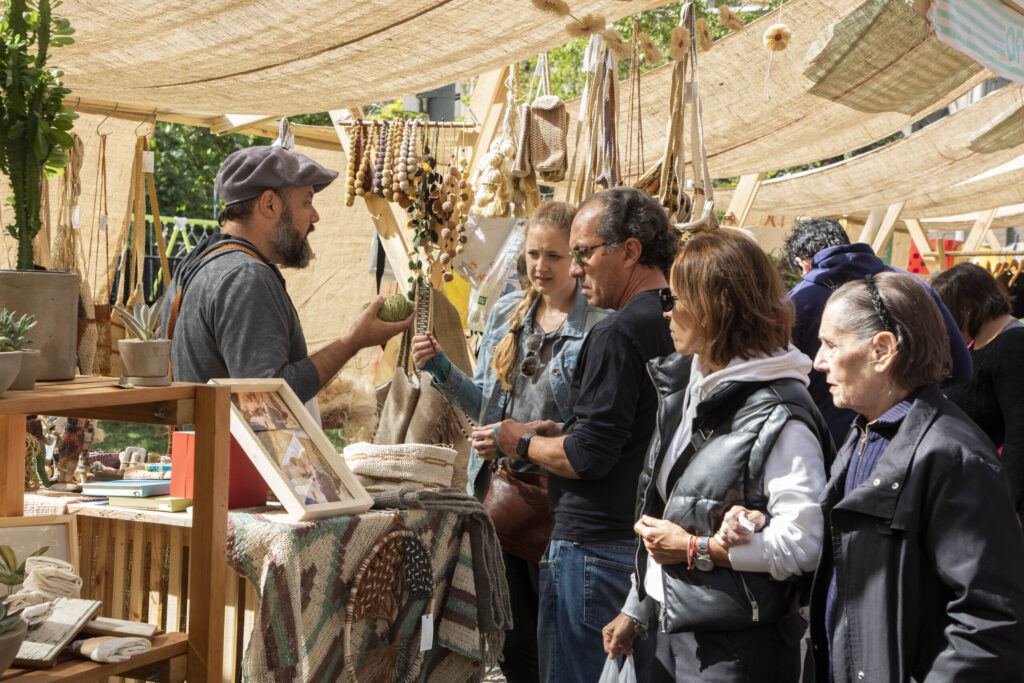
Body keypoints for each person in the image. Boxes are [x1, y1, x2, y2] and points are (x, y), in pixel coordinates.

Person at [602, 229, 831, 682]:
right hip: (678, 632)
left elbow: (805, 545)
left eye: (673, 298)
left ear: (712, 309)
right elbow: (669, 509)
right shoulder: (692, 385)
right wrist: (638, 605)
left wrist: (694, 549)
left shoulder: (780, 413)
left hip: (738, 650)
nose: (665, 310)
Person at [410, 201, 608, 683]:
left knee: (555, 646)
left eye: (554, 256)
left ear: (576, 259)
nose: (541, 267)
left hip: (561, 508)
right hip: (501, 499)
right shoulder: (506, 313)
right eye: (533, 254)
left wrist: (519, 440)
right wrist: (440, 366)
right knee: (510, 644)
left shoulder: (600, 327)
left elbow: (595, 434)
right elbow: (485, 405)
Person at [489, 187, 678, 683]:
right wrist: (566, 431)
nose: (575, 269)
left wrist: (520, 442)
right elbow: (629, 429)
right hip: (640, 545)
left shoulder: (616, 333)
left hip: (596, 551)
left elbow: (588, 456)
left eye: (583, 253)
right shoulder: (679, 318)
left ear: (630, 251)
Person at [807, 271, 1024, 682]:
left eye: (830, 344)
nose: (818, 361)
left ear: (882, 350)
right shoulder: (865, 433)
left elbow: (990, 623)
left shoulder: (952, 457)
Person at [161, 145, 410, 415]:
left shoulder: (196, 263)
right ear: (270, 204)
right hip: (228, 444)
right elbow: (269, 399)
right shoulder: (246, 276)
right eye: (306, 202)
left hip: (202, 440)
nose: (315, 216)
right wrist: (353, 341)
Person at [782, 217, 971, 443]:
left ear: (803, 263)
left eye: (830, 344)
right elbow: (959, 368)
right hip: (911, 430)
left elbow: (780, 385)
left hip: (824, 438)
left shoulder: (797, 301)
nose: (819, 362)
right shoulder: (912, 286)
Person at [932, 262, 1024, 517]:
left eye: (948, 315)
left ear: (967, 308)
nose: (947, 326)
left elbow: (1019, 432)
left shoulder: (1013, 344)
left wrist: (1010, 505)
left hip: (998, 496)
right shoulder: (976, 345)